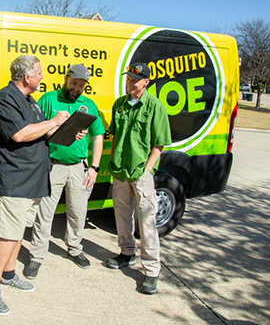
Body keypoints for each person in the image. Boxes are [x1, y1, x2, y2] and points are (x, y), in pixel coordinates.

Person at [0, 55, 71, 316]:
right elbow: (20, 134)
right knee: (8, 235)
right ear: (27, 77)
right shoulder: (4, 99)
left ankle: (8, 274)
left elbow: (40, 131)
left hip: (31, 179)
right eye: (39, 73)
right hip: (12, 180)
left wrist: (65, 129)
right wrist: (54, 121)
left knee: (19, 231)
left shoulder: (30, 101)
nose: (42, 77)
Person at [24, 64, 105, 279]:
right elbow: (35, 131)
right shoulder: (48, 99)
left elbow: (98, 136)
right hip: (52, 166)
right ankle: (37, 256)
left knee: (78, 213)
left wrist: (95, 168)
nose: (77, 88)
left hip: (79, 168)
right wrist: (59, 129)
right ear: (65, 78)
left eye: (81, 85)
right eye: (74, 83)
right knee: (44, 214)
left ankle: (75, 248)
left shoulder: (89, 104)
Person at [105, 62, 171, 295]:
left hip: (141, 172)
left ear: (146, 82)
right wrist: (113, 160)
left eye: (135, 79)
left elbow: (159, 144)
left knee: (147, 221)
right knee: (122, 214)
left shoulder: (155, 107)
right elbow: (115, 136)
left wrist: (147, 170)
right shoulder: (119, 105)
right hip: (120, 170)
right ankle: (126, 253)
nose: (130, 83)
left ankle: (151, 270)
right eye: (129, 78)